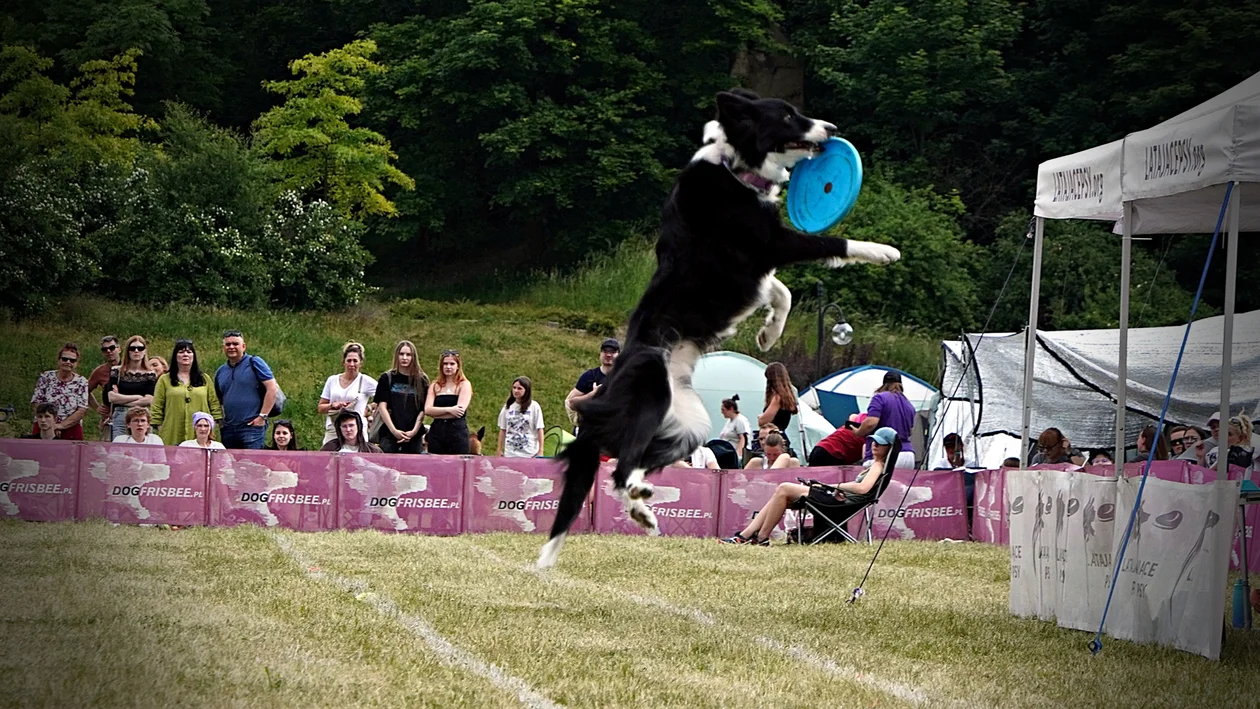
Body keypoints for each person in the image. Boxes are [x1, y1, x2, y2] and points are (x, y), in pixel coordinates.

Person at [721, 427, 896, 546]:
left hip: (840, 504)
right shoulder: (875, 465)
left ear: (889, 448)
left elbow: (863, 489)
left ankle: (759, 537)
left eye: (880, 443)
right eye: (874, 441)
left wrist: (832, 485)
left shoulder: (878, 466)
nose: (875, 445)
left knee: (784, 488)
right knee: (781, 495)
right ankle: (748, 535)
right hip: (838, 500)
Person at [214, 330, 280, 449]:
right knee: (230, 466)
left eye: (235, 344)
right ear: (223, 348)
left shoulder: (254, 363)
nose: (231, 347)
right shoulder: (220, 371)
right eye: (228, 344)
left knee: (252, 465)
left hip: (251, 427)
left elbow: (272, 388)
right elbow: (218, 399)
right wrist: (221, 421)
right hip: (229, 428)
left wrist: (262, 417)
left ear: (243, 346)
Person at [151, 339, 224, 447]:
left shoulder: (204, 379)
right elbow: (157, 405)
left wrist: (212, 425)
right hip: (172, 430)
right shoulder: (164, 380)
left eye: (189, 352)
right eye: (181, 352)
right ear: (175, 356)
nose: (185, 354)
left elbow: (214, 404)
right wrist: (160, 427)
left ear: (194, 356)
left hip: (199, 433)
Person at [852, 371, 917, 469]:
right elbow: (910, 431)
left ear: (884, 384)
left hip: (885, 454)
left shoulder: (879, 398)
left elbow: (871, 423)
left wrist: (858, 432)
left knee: (873, 483)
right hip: (907, 454)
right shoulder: (909, 404)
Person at [318, 342, 378, 446]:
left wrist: (369, 408)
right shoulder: (332, 380)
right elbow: (320, 408)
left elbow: (385, 398)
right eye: (349, 361)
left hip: (357, 431)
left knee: (357, 461)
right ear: (343, 362)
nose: (352, 364)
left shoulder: (366, 381)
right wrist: (332, 405)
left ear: (360, 363)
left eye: (355, 361)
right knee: (330, 458)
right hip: (334, 428)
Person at [375, 340, 428, 454]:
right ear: (396, 356)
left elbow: (423, 409)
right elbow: (382, 406)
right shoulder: (387, 378)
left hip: (414, 436)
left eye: (408, 355)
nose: (404, 358)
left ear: (413, 357)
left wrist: (413, 431)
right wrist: (394, 431)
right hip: (389, 434)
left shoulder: (422, 380)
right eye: (401, 354)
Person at [30, 343, 89, 440]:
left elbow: (82, 410)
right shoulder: (46, 377)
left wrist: (60, 426)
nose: (68, 362)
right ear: (59, 360)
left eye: (72, 360)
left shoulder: (82, 382)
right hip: (44, 426)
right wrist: (49, 424)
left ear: (76, 363)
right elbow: (36, 402)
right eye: (65, 359)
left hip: (71, 428)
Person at [105, 335, 158, 439]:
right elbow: (111, 397)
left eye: (140, 348)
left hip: (142, 416)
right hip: (120, 416)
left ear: (144, 351)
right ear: (127, 351)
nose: (136, 351)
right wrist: (138, 397)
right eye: (132, 348)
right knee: (119, 450)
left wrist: (121, 398)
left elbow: (149, 400)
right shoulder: (117, 371)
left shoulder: (150, 374)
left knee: (142, 450)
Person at [565, 338, 619, 433]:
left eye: (613, 352)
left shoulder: (623, 378)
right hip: (586, 431)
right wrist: (592, 394)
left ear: (619, 355)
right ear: (600, 354)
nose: (608, 355)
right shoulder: (589, 376)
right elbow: (571, 403)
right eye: (605, 351)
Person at [425, 349, 473, 455]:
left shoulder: (464, 384)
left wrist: (437, 413)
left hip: (457, 433)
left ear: (458, 366)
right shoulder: (435, 385)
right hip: (437, 433)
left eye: (452, 364)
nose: (448, 367)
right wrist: (450, 410)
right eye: (445, 364)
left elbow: (460, 411)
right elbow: (427, 410)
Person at [754, 362, 798, 456]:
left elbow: (763, 421)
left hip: (772, 440)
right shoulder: (788, 397)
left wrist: (761, 417)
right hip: (782, 436)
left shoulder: (777, 398)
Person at [496, 376, 545, 458]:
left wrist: (541, 450)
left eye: (519, 388)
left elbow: (540, 429)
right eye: (514, 388)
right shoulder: (507, 407)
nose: (516, 391)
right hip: (511, 453)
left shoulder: (534, 406)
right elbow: (503, 429)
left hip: (529, 453)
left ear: (526, 390)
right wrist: (499, 449)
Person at [87, 335, 120, 441]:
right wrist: (97, 407)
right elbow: (84, 391)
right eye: (105, 349)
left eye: (112, 348)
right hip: (109, 418)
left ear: (119, 349)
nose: (109, 351)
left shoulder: (130, 366)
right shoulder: (100, 371)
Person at [717, 395, 752, 461]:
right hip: (727, 453)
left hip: (736, 454)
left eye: (723, 410)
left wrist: (738, 455)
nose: (722, 412)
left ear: (731, 409)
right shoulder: (729, 422)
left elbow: (743, 438)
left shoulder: (740, 420)